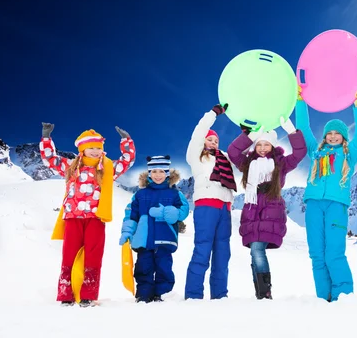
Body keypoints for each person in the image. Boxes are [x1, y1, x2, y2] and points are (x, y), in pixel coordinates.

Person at [41, 123, 136, 306]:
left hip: (96, 218)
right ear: (82, 149)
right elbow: (50, 158)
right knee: (69, 255)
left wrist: (127, 141)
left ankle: (88, 295)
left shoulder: (107, 167)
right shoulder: (70, 167)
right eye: (91, 147)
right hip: (73, 218)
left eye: (99, 148)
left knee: (93, 256)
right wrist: (46, 137)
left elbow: (126, 161)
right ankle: (66, 294)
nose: (95, 151)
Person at [295, 89, 357, 302]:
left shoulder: (349, 154)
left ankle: (342, 297)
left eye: (337, 133)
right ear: (325, 136)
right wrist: (301, 102)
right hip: (313, 206)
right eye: (330, 133)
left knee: (333, 254)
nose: (333, 136)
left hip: (336, 206)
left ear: (343, 136)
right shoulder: (315, 153)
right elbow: (304, 129)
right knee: (317, 255)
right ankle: (322, 298)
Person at [227, 117, 307, 299]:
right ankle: (260, 293)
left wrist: (291, 131)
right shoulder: (247, 164)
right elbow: (233, 151)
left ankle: (265, 293)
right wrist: (249, 135)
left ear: (273, 146)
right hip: (252, 210)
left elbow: (300, 152)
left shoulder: (281, 164)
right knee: (255, 251)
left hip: (272, 211)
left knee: (257, 249)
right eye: (259, 144)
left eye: (266, 145)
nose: (262, 148)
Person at [119, 156, 190, 302]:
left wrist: (168, 213)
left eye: (162, 171)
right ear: (149, 173)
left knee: (164, 267)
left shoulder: (175, 193)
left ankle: (163, 294)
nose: (158, 175)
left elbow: (183, 210)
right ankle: (144, 294)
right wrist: (127, 231)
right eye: (154, 171)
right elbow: (131, 214)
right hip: (144, 239)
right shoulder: (140, 194)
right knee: (143, 267)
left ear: (168, 173)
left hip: (165, 238)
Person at [184, 104, 237, 300]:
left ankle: (220, 295)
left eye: (216, 140)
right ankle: (193, 295)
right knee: (203, 249)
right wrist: (213, 114)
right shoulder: (196, 157)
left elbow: (240, 149)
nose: (213, 142)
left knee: (223, 254)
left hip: (225, 208)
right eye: (210, 139)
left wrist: (250, 132)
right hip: (206, 206)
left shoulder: (225, 158)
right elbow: (198, 133)